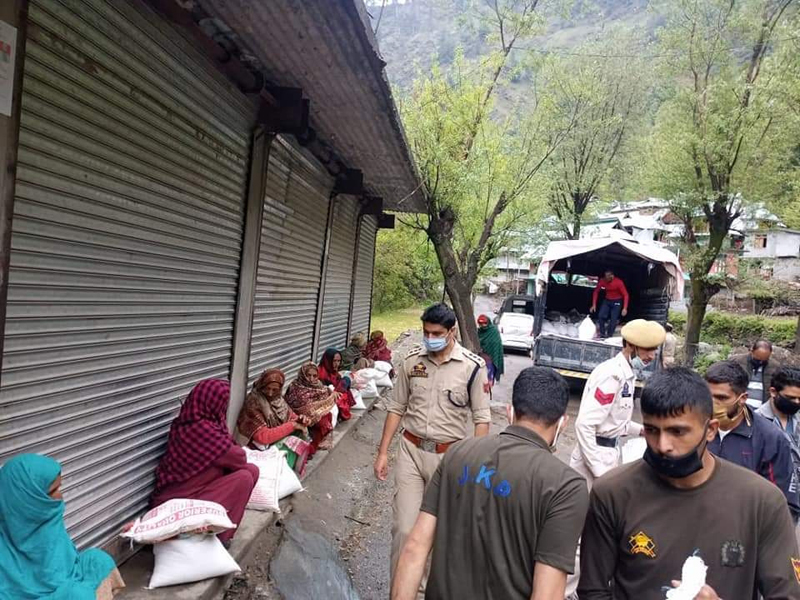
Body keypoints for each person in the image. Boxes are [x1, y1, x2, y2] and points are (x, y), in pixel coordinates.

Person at [578, 367, 800, 599]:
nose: (663, 445)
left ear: (710, 430)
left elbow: (787, 595)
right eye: (652, 430)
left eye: (678, 431)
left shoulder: (762, 502)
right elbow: (593, 590)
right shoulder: (612, 493)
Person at [391, 367, 589, 600]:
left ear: (510, 411)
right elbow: (547, 593)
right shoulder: (566, 487)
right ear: (562, 423)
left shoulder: (459, 453)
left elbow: (415, 548)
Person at [373, 303, 491, 594]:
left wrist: (474, 465)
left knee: (436, 535)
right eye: (426, 332)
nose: (430, 338)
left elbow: (482, 419)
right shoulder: (412, 362)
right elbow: (396, 406)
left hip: (449, 459)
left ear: (451, 332)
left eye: (436, 333)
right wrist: (383, 451)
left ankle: (425, 590)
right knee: (403, 529)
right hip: (411, 452)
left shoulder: (473, 368)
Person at [0, 454, 125, 600]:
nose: (61, 496)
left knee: (98, 561)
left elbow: (66, 564)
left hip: (63, 583)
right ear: (29, 499)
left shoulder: (46, 519)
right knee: (77, 595)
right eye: (53, 491)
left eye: (59, 488)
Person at [151, 379, 259, 545]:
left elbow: (234, 454)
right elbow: (238, 458)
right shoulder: (199, 429)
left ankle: (220, 528)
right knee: (244, 477)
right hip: (179, 501)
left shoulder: (204, 423)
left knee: (251, 470)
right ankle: (222, 539)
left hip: (197, 490)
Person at [569, 319, 665, 487]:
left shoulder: (626, 374)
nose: (652, 355)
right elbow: (585, 425)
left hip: (608, 453)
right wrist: (598, 470)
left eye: (655, 349)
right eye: (647, 349)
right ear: (630, 345)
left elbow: (615, 421)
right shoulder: (612, 375)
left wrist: (643, 431)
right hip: (594, 458)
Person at [705, 360, 799, 521]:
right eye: (707, 396)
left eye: (721, 398)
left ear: (742, 398)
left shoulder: (769, 438)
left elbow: (784, 504)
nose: (713, 404)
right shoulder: (690, 428)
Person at [236, 368, 312, 474]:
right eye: (267, 389)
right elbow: (263, 437)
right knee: (291, 438)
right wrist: (293, 425)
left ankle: (285, 470)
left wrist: (301, 421)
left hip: (271, 443)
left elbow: (291, 416)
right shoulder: (254, 402)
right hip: (255, 448)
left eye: (275, 390)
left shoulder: (278, 400)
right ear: (261, 386)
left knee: (300, 432)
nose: (270, 393)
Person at [758, 367, 800, 499]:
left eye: (799, 398)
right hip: (772, 496)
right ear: (773, 392)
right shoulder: (757, 422)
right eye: (790, 398)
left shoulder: (797, 419)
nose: (796, 402)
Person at [285, 362, 340, 454]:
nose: (311, 379)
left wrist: (331, 393)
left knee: (327, 416)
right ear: (303, 374)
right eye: (308, 375)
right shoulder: (294, 386)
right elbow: (294, 406)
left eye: (314, 376)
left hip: (314, 418)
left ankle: (316, 441)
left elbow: (325, 393)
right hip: (298, 418)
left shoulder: (318, 385)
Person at [731, 339, 780, 408]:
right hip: (738, 406)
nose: (760, 362)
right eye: (757, 359)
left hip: (762, 409)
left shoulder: (775, 367)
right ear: (751, 351)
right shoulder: (736, 361)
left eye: (764, 360)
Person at [318, 348, 357, 422]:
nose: (337, 364)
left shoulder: (334, 372)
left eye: (338, 361)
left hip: (335, 394)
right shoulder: (321, 373)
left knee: (346, 380)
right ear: (328, 360)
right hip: (326, 398)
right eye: (334, 361)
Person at [590, 270, 629, 339]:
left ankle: (609, 335)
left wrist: (625, 308)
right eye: (605, 277)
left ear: (612, 276)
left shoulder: (618, 282)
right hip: (607, 300)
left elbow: (625, 295)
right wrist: (594, 305)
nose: (606, 280)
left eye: (608, 277)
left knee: (613, 319)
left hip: (617, 301)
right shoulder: (602, 281)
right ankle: (602, 334)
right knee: (600, 316)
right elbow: (596, 292)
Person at [477, 314, 504, 386]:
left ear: (488, 322)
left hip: (490, 360)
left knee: (488, 380)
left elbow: (496, 346)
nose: (483, 325)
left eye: (485, 323)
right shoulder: (479, 332)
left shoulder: (493, 331)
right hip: (479, 359)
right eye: (481, 323)